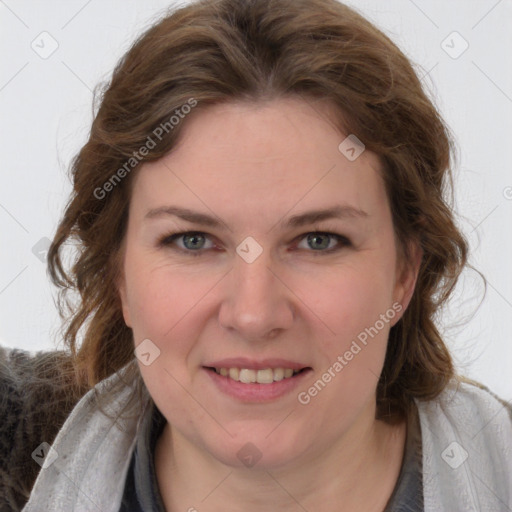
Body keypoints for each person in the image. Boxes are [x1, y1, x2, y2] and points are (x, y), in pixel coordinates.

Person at [0, 0, 510, 510]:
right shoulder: (16, 439)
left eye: (319, 240)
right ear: (119, 275)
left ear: (404, 273)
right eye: (192, 240)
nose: (254, 314)